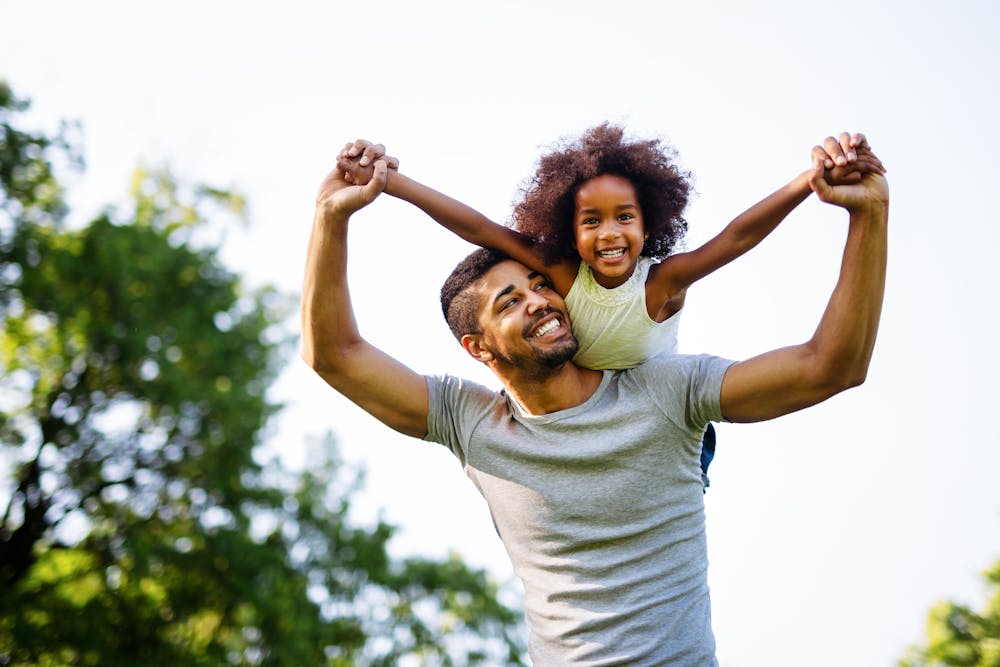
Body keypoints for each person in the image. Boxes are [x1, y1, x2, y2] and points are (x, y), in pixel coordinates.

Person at [301, 135, 889, 665]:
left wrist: (869, 216)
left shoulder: (667, 391)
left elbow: (830, 366)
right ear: (477, 348)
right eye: (508, 302)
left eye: (539, 286)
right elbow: (335, 353)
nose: (538, 301)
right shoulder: (471, 423)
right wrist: (331, 217)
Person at [337, 126, 883, 489]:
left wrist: (804, 185)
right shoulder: (559, 276)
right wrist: (394, 184)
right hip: (584, 417)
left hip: (661, 423)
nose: (610, 234)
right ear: (567, 232)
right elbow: (479, 226)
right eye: (591, 221)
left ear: (649, 224)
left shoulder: (660, 284)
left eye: (625, 217)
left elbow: (735, 238)